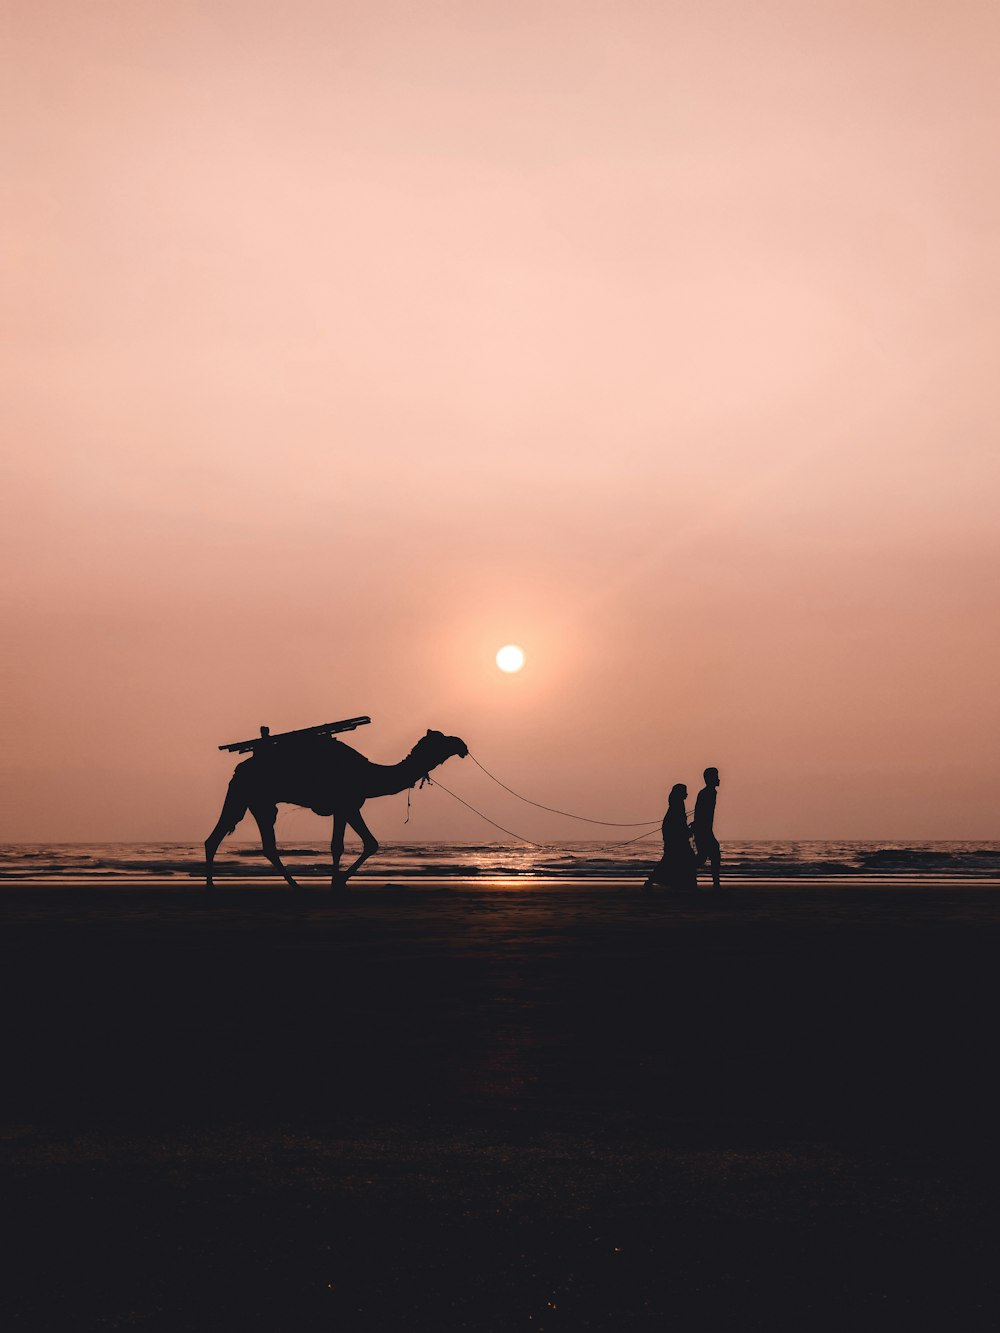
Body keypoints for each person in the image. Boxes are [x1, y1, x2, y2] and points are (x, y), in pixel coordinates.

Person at [642, 784, 697, 892]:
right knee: (684, 859)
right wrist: (688, 831)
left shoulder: (676, 805)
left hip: (672, 837)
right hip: (675, 838)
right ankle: (689, 886)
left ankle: (653, 881)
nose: (686, 794)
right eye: (684, 791)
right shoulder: (678, 806)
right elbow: (679, 824)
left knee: (671, 860)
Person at [692, 767, 721, 888]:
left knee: (703, 857)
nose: (719, 779)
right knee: (711, 855)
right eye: (716, 776)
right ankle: (716, 884)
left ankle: (690, 879)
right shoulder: (707, 793)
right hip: (704, 830)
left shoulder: (710, 792)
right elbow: (702, 813)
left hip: (704, 830)